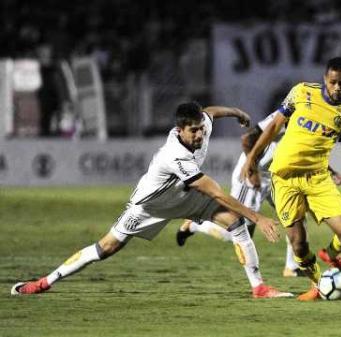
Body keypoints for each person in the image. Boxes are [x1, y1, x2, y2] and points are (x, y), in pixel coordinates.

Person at [11, 102, 293, 298]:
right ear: (180, 130)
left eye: (200, 129)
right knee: (106, 247)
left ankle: (259, 288)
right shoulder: (175, 155)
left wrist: (236, 112)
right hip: (150, 205)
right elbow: (215, 191)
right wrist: (259, 216)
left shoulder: (201, 124)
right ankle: (44, 282)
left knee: (235, 224)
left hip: (184, 197)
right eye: (193, 131)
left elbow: (209, 112)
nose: (199, 134)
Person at [241, 57, 341, 301]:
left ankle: (332, 255)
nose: (337, 88)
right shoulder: (301, 92)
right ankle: (318, 284)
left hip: (318, 179)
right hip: (284, 179)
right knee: (298, 245)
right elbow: (272, 128)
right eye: (333, 82)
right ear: (325, 79)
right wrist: (251, 159)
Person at [175, 112, 341, 278]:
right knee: (236, 228)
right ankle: (194, 225)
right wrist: (253, 170)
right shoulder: (287, 117)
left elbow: (309, 154)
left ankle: (292, 267)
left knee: (297, 217)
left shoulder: (313, 125)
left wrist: (331, 171)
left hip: (278, 177)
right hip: (253, 176)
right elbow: (247, 139)